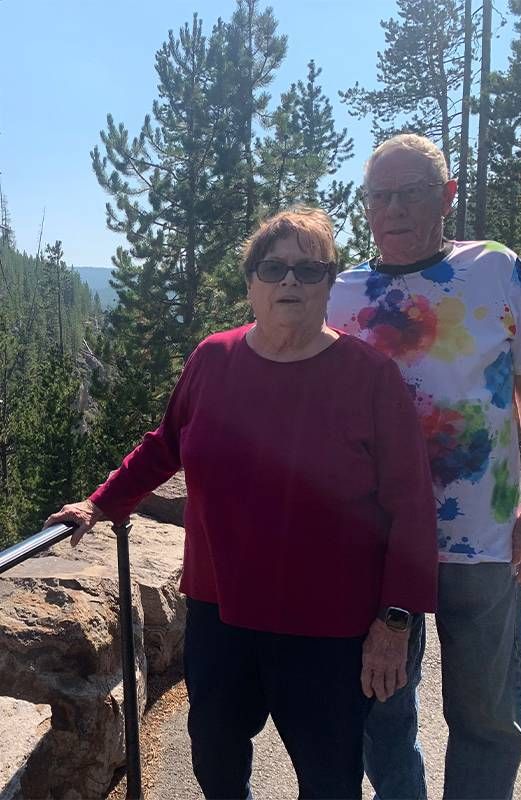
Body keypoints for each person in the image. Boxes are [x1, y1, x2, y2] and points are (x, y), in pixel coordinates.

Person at [45, 207, 438, 800]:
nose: (289, 283)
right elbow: (166, 444)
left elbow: (411, 507)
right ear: (250, 280)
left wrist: (396, 621)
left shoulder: (370, 379)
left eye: (309, 271)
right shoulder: (214, 360)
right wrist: (101, 502)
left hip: (329, 627)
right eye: (274, 267)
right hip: (220, 612)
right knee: (217, 764)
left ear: (329, 284)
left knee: (329, 780)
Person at [327, 134, 521, 800]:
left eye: (413, 192)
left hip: (485, 543)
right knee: (381, 709)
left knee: (486, 717)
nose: (394, 209)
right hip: (382, 545)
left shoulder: (497, 269)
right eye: (381, 195)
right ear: (366, 204)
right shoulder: (340, 298)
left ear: (448, 195)